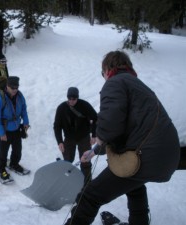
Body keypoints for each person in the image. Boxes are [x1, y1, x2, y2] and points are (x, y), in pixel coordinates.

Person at [64, 51, 180, 225]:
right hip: (167, 154)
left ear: (107, 69)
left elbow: (111, 122)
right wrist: (95, 151)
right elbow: (124, 126)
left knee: (90, 196)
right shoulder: (137, 84)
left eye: (102, 73)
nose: (103, 77)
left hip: (146, 154)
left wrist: (100, 138)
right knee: (134, 184)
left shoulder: (115, 83)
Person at [53, 87, 97, 183]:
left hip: (84, 137)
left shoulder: (84, 105)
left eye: (74, 99)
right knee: (68, 160)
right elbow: (57, 126)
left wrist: (94, 135)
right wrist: (60, 141)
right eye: (70, 99)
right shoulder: (61, 108)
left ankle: (87, 183)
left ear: (77, 98)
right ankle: (66, 180)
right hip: (69, 138)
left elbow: (95, 118)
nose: (72, 101)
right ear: (67, 98)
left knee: (85, 161)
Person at [0, 76, 29, 181]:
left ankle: (14, 164)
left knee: (17, 150)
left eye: (16, 87)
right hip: (4, 131)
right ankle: (1, 168)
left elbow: (24, 110)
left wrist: (26, 122)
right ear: (7, 86)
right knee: (3, 152)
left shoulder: (20, 96)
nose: (15, 90)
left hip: (16, 129)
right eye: (12, 88)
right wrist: (1, 133)